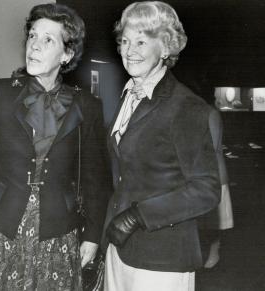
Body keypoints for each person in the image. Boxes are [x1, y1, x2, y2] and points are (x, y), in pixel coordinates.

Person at [0, 3, 109, 290]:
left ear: (67, 54)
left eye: (47, 39)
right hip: (0, 227)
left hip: (58, 232)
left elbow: (95, 178)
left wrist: (92, 236)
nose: (35, 46)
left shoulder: (86, 105)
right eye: (32, 36)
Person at [102, 2, 221, 291]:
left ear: (165, 47)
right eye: (125, 41)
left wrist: (137, 216)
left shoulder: (186, 107)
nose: (130, 51)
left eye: (141, 42)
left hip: (162, 259)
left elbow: (206, 189)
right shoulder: (130, 95)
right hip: (119, 250)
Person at [200, 109, 234, 268]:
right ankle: (209, 253)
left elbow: (212, 147)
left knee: (214, 222)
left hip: (214, 174)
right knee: (206, 221)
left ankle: (214, 252)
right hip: (204, 174)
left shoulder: (211, 113)